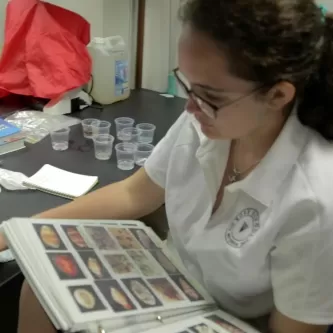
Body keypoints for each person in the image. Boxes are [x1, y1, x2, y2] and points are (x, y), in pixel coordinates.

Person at [1, 0, 333, 332]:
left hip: (233, 323)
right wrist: (16, 232)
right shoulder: (209, 120)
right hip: (174, 286)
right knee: (41, 288)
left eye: (209, 95)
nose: (190, 107)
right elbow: (135, 193)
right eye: (188, 84)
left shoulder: (316, 201)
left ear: (277, 95)